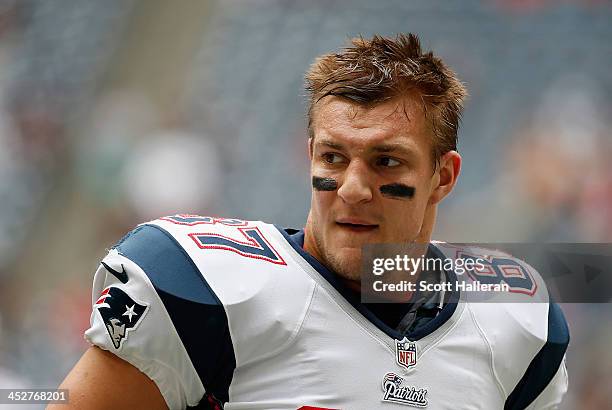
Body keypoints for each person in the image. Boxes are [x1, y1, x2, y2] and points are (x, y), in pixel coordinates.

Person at [52, 34, 569, 409]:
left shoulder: (515, 323)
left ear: (443, 177)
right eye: (334, 158)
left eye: (386, 160)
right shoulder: (205, 291)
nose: (352, 188)